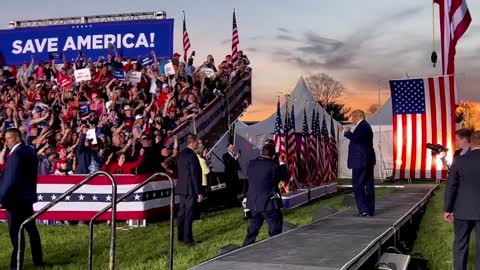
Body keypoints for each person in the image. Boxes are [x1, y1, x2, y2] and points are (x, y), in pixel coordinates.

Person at [0, 128, 43, 270]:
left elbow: (11, 180)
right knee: (31, 228)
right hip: (25, 198)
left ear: (17, 138)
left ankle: (16, 265)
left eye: (9, 139)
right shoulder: (28, 150)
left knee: (16, 233)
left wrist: (2, 198)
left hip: (15, 200)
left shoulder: (17, 154)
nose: (6, 142)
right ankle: (38, 260)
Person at [444, 130, 480, 270]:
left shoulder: (459, 160)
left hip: (462, 210)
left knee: (460, 244)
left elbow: (451, 186)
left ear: (471, 143)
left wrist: (448, 209)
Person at [243, 144, 285, 246]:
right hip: (268, 203)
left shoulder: (250, 164)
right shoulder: (273, 166)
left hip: (254, 202)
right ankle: (275, 247)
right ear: (273, 155)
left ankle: (246, 247)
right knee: (275, 226)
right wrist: (281, 162)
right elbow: (284, 175)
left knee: (253, 228)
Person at [340, 109, 376, 217]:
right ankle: (369, 210)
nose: (352, 119)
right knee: (368, 185)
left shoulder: (363, 126)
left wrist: (346, 132)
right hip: (366, 161)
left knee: (358, 185)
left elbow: (356, 139)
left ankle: (364, 210)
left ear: (358, 116)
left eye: (352, 117)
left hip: (361, 161)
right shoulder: (365, 126)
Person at [176, 134, 203, 245]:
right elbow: (194, 175)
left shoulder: (181, 154)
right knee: (188, 214)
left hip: (182, 187)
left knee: (182, 213)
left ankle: (181, 237)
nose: (199, 144)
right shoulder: (192, 156)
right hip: (190, 188)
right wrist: (199, 192)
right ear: (193, 142)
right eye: (197, 142)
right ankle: (188, 239)